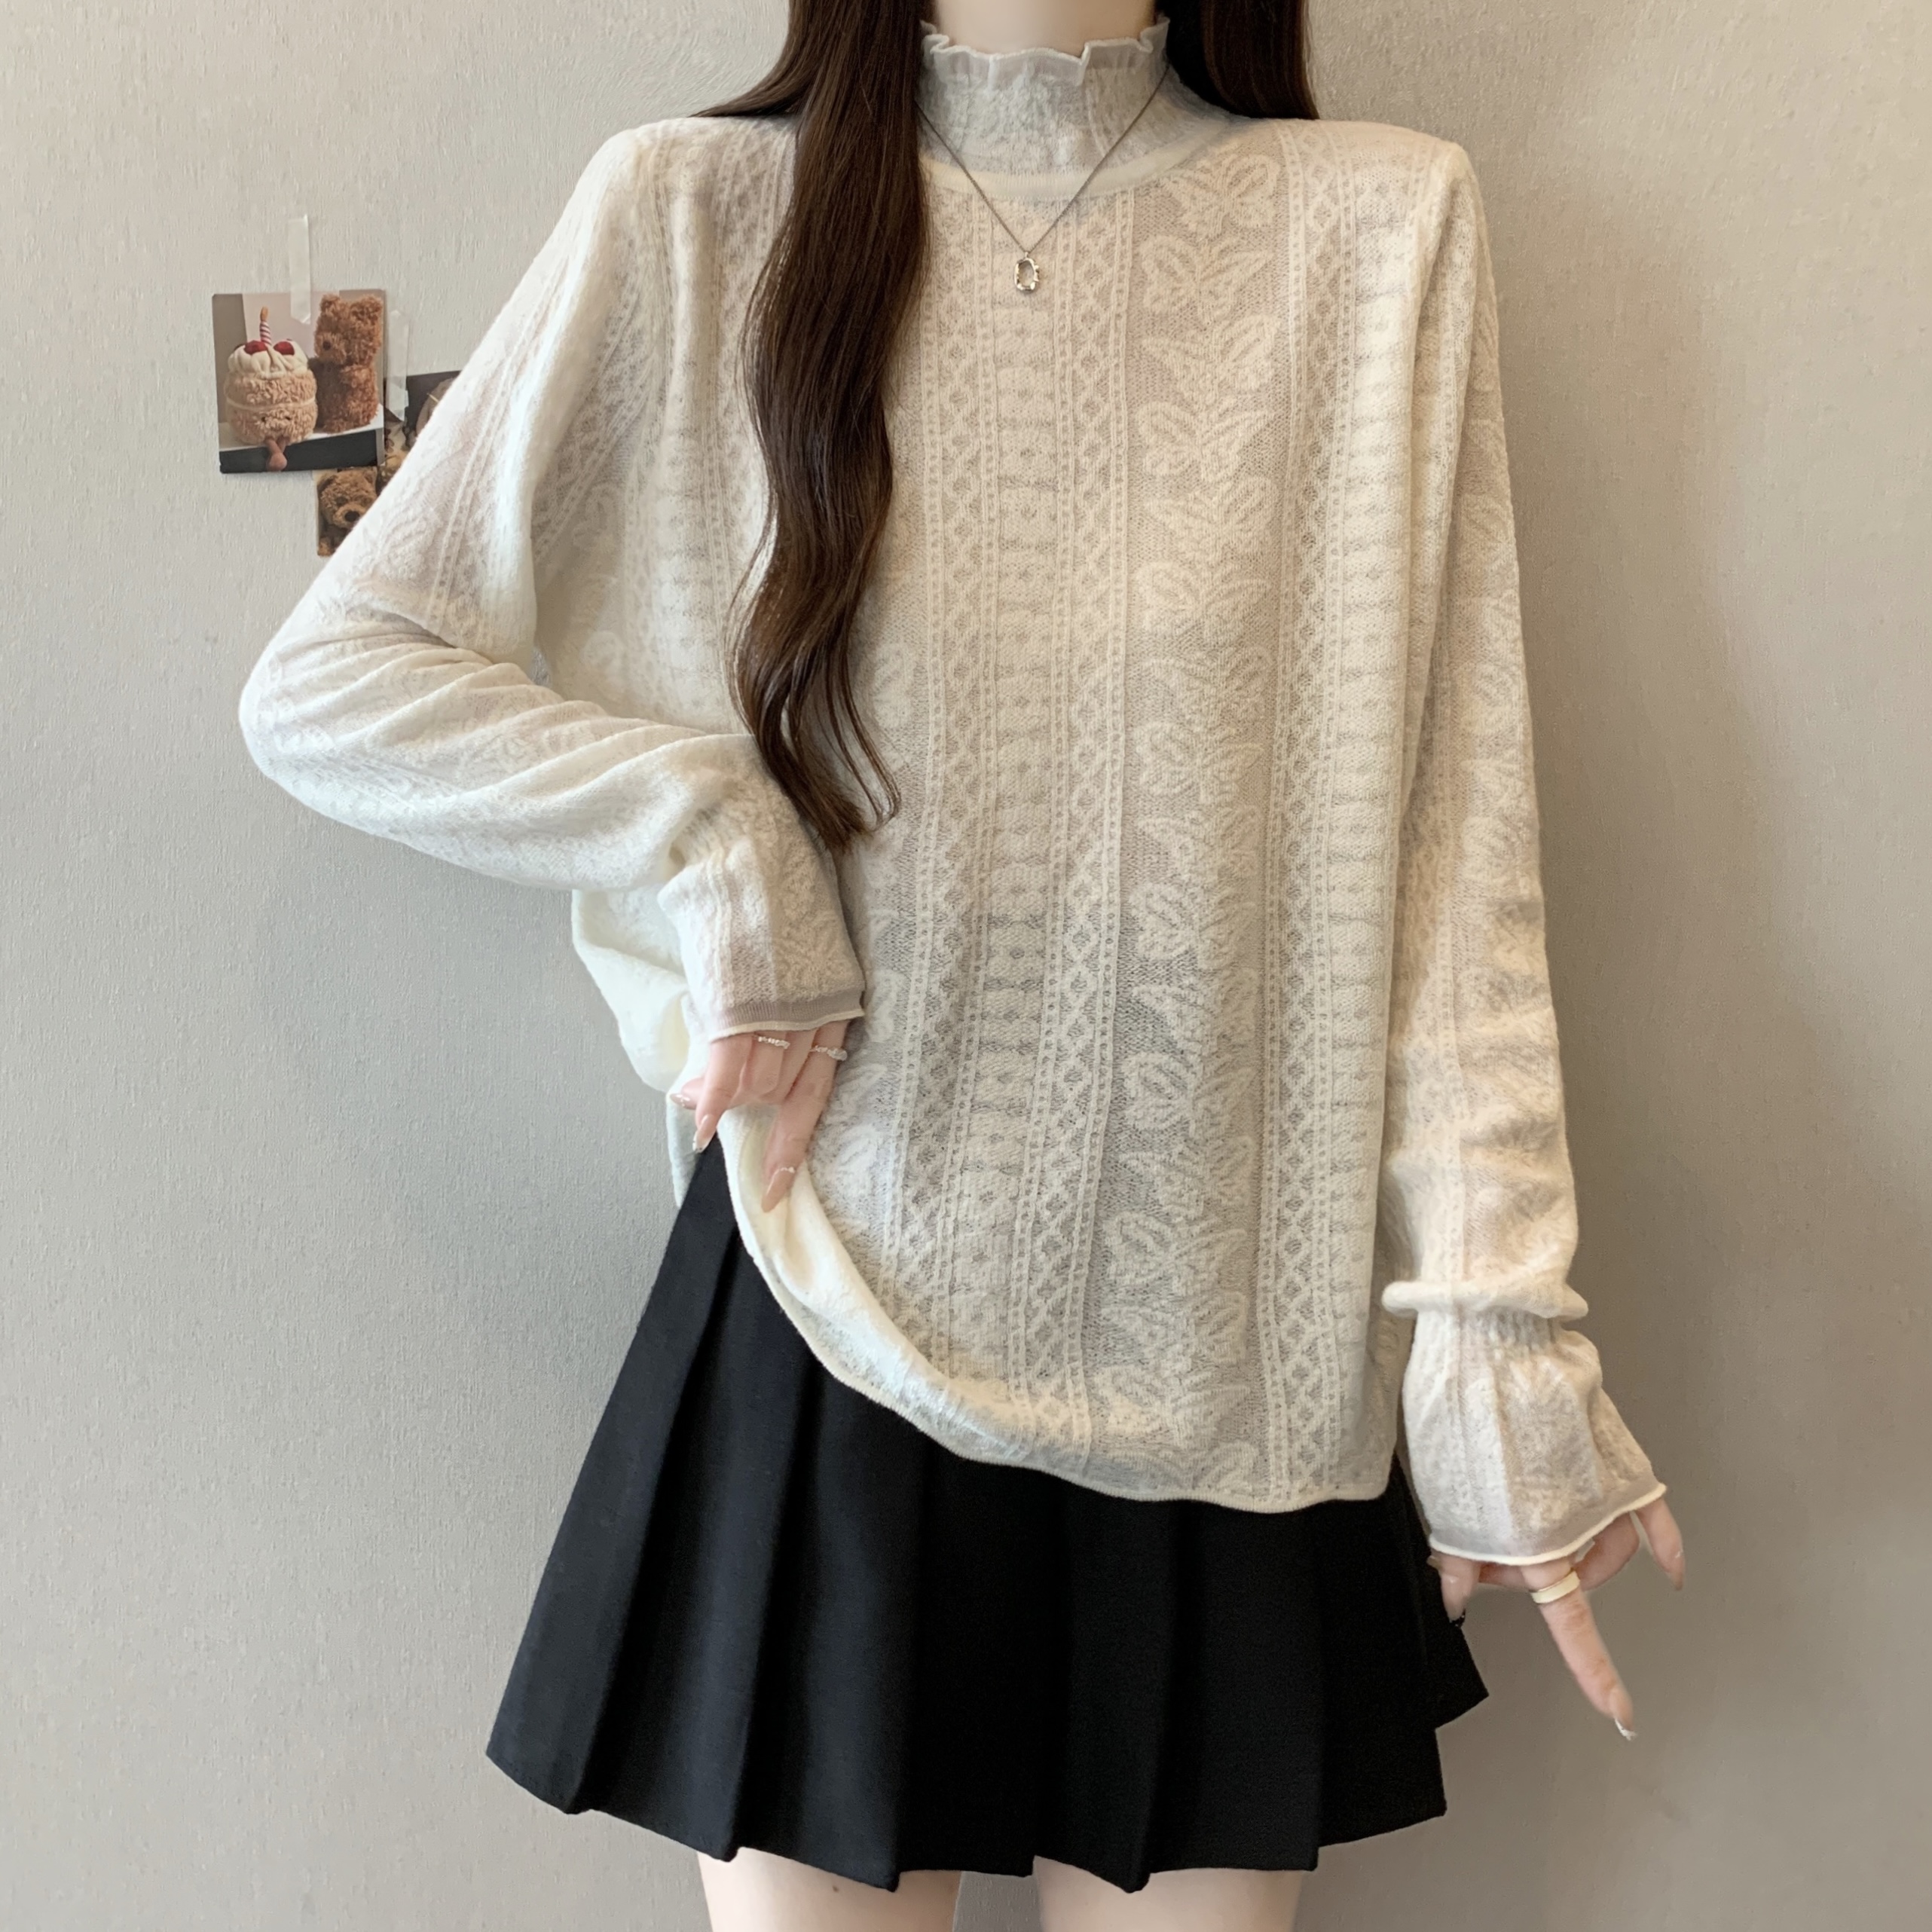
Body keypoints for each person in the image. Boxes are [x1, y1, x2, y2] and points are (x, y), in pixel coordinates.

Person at [236, 2, 1686, 1926]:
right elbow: (341, 681)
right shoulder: (690, 212)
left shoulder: (1377, 224)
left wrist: (1501, 1321)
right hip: (825, 1285)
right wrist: (720, 836)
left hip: (1230, 1334)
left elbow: (1449, 835)